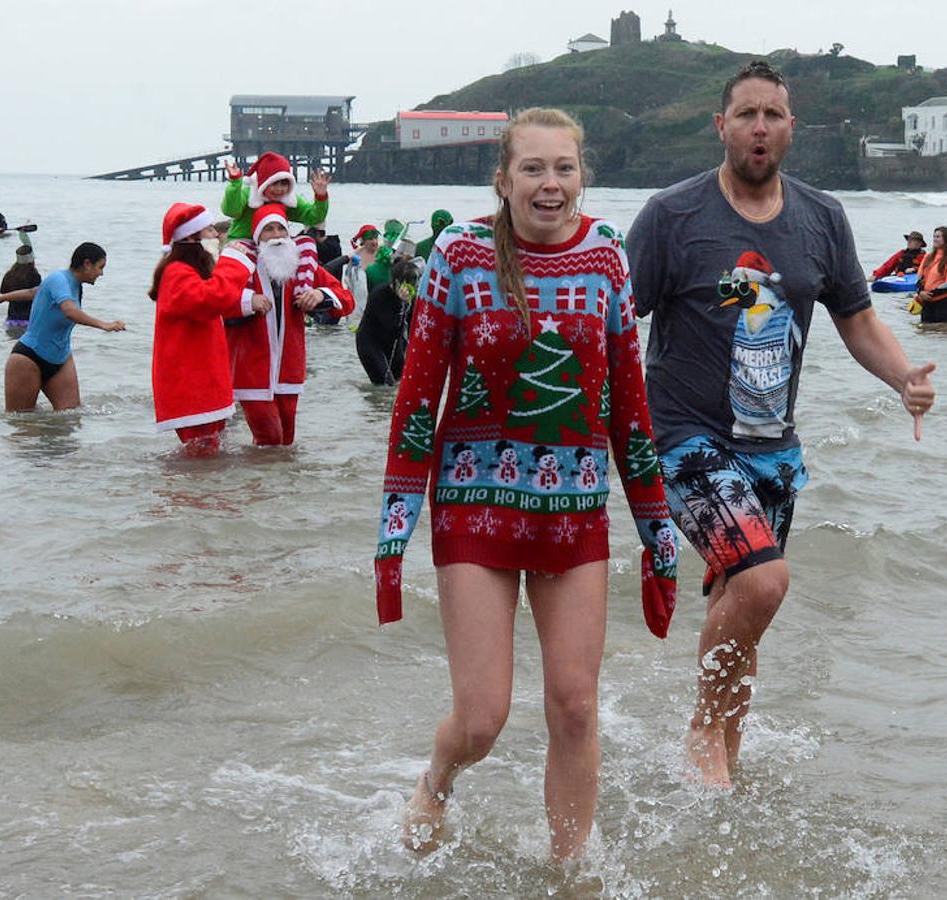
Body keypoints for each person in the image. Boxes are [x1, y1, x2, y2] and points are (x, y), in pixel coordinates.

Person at [375, 107, 679, 861]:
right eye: (533, 169)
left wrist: (655, 531)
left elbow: (629, 403)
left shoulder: (607, 254)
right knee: (481, 719)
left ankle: (568, 869)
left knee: (575, 706)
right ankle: (436, 779)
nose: (550, 184)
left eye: (564, 168)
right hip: (474, 507)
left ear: (582, 175)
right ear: (503, 179)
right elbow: (417, 398)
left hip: (573, 511)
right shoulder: (458, 253)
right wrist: (393, 533)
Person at [627, 60, 937, 789]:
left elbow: (856, 318)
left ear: (790, 128)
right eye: (745, 115)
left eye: (772, 115)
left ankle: (721, 756)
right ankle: (704, 729)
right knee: (762, 581)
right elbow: (613, 322)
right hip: (682, 436)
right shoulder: (672, 215)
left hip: (771, 448)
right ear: (721, 126)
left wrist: (903, 380)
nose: (759, 127)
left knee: (741, 598)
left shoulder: (821, 216)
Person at [149, 202, 273, 456]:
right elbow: (211, 299)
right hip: (192, 383)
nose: (216, 235)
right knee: (202, 455)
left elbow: (219, 301)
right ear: (191, 238)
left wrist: (248, 301)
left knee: (207, 454)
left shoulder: (187, 271)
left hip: (203, 381)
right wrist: (235, 262)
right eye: (209, 231)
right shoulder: (177, 272)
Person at [225, 203, 354, 445]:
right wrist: (247, 300)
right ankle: (254, 481)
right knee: (270, 437)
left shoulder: (301, 266)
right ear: (257, 236)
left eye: (281, 229)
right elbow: (215, 300)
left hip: (289, 369)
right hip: (251, 370)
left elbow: (347, 300)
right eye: (268, 230)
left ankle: (275, 482)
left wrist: (321, 295)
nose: (276, 236)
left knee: (287, 440)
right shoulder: (240, 264)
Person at [0, 242, 125, 412]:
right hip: (29, 357)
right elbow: (69, 311)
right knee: (23, 426)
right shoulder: (59, 279)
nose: (101, 273)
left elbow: (33, 292)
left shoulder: (74, 285)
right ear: (87, 264)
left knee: (70, 419)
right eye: (100, 267)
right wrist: (104, 325)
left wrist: (1, 298)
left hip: (61, 359)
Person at [220, 152, 330, 241]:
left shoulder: (289, 200)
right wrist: (235, 183)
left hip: (272, 245)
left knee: (306, 244)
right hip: (243, 243)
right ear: (264, 183)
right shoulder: (249, 194)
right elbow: (231, 211)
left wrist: (321, 197)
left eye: (284, 184)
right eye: (274, 184)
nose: (279, 189)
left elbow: (313, 218)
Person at [354, 257, 419, 385]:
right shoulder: (379, 295)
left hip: (393, 344)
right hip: (370, 343)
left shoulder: (411, 299)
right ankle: (377, 405)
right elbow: (391, 327)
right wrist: (402, 304)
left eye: (413, 285)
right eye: (406, 284)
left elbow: (413, 328)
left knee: (402, 382)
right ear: (395, 281)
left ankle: (389, 406)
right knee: (385, 385)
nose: (409, 289)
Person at [0, 239, 42, 337]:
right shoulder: (34, 276)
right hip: (29, 320)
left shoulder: (9, 275)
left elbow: (3, 295)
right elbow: (37, 296)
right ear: (32, 260)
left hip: (11, 320)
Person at [914, 226, 947, 325]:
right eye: (934, 236)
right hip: (926, 301)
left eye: (938, 237)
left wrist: (928, 294)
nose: (934, 239)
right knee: (925, 331)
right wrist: (920, 292)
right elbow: (919, 277)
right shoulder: (928, 257)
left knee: (943, 333)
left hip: (945, 302)